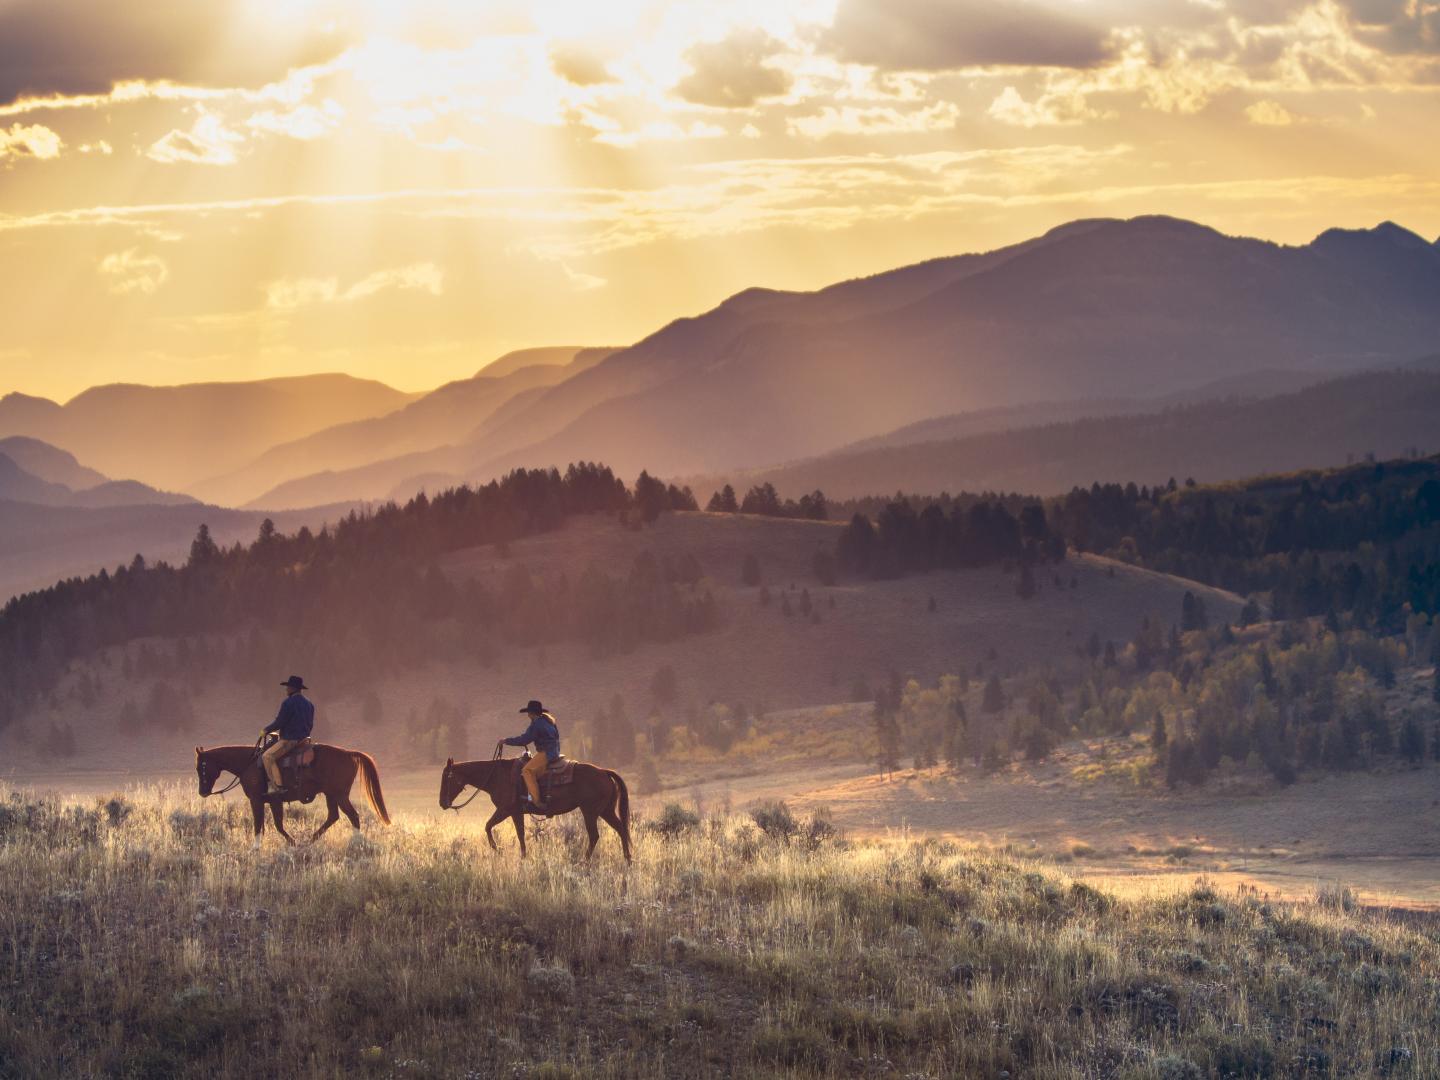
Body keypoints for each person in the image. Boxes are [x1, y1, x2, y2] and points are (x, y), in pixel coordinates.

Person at [259, 675, 315, 795]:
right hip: (304, 740)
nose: (286, 689)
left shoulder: (288, 703)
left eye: (288, 687)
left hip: (290, 740)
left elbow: (280, 722)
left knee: (267, 757)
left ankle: (276, 786)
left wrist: (266, 730)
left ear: (293, 688)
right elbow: (310, 724)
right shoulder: (309, 704)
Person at [503, 699, 560, 809]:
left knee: (526, 771)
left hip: (546, 753)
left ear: (532, 713)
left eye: (528, 712)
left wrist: (506, 741)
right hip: (554, 752)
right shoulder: (548, 721)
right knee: (535, 772)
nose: (528, 715)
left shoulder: (537, 724)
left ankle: (536, 802)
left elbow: (524, 739)